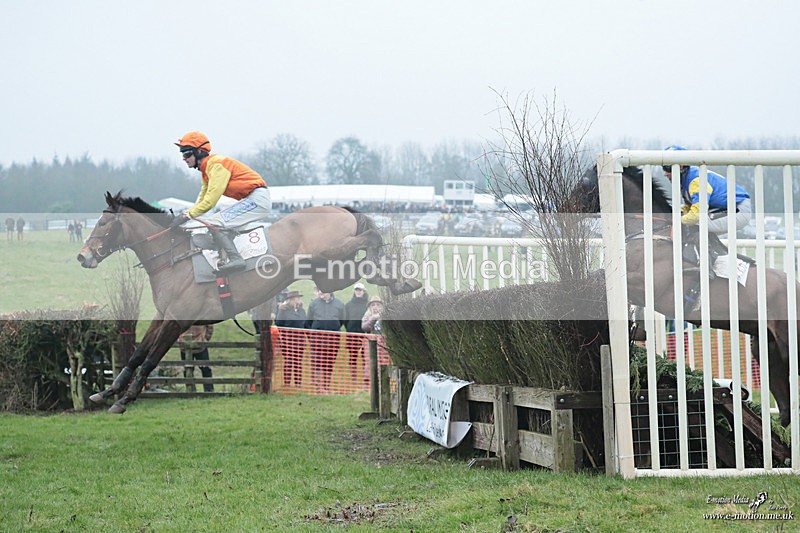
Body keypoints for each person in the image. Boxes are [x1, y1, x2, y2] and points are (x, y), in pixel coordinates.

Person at [170, 131, 271, 273]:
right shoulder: (206, 170)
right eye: (182, 154)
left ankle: (236, 259)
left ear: (199, 152)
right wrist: (185, 215)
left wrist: (186, 216)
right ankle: (227, 258)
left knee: (213, 223)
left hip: (257, 199)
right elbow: (202, 199)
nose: (183, 158)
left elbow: (210, 201)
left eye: (186, 154)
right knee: (218, 225)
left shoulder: (216, 165)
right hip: (251, 199)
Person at [663, 145, 751, 235]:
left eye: (667, 168)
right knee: (692, 226)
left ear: (681, 166)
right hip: (725, 208)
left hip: (738, 209)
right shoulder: (687, 178)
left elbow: (696, 215)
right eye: (664, 168)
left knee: (694, 224)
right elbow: (690, 207)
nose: (665, 174)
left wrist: (678, 219)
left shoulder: (695, 180)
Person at [305, 288, 346, 393]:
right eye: (319, 290)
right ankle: (319, 388)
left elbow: (342, 321)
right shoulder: (313, 304)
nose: (320, 292)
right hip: (317, 340)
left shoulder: (339, 304)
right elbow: (308, 322)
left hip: (333, 341)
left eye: (322, 290)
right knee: (318, 363)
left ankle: (326, 387)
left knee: (329, 364)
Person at [275, 290, 307, 387]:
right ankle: (287, 383)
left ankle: (298, 383)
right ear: (291, 300)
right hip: (288, 340)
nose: (298, 300)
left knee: (298, 362)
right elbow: (278, 323)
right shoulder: (283, 310)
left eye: (299, 298)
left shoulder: (302, 311)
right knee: (288, 361)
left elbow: (305, 324)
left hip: (300, 340)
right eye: (296, 298)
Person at [343, 283, 370, 384]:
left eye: (360, 290)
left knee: (365, 357)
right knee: (353, 357)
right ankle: (353, 379)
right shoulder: (348, 305)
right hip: (352, 335)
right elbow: (345, 320)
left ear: (364, 291)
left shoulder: (368, 305)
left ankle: (366, 378)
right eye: (357, 290)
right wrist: (350, 328)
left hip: (365, 335)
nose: (358, 292)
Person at [177, 324, 214, 392]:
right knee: (187, 370)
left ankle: (209, 391)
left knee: (206, 369)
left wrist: (206, 339)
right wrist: (179, 339)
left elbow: (209, 325)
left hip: (200, 346)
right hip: (184, 345)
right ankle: (191, 391)